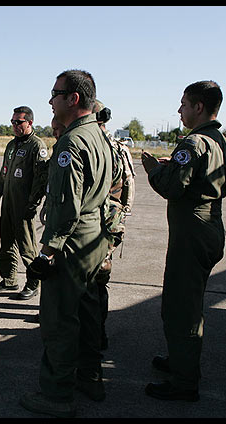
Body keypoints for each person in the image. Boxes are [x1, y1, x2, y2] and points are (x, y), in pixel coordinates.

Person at [19, 70, 113, 418]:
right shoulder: (98, 135)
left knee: (59, 319)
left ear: (73, 99)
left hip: (71, 242)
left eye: (55, 93)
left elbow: (64, 207)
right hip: (94, 238)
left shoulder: (71, 143)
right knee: (88, 313)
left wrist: (47, 253)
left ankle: (57, 395)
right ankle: (90, 378)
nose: (50, 100)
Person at [141, 80, 226, 402]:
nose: (179, 110)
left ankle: (184, 382)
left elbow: (172, 188)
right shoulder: (220, 140)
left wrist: (153, 170)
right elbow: (199, 177)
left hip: (192, 231)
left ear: (198, 107)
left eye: (183, 104)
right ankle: (181, 360)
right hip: (210, 226)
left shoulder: (193, 142)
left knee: (181, 307)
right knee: (189, 302)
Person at [0, 106, 49, 300]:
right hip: (8, 201)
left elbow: (41, 178)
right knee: (6, 242)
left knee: (27, 246)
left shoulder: (36, 146)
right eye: (12, 122)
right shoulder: (11, 145)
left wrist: (33, 203)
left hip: (23, 204)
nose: (15, 125)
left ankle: (33, 283)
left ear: (29, 122)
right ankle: (9, 279)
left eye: (19, 122)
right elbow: (4, 171)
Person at [91, 99, 136, 351]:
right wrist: (122, 215)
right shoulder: (120, 148)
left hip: (97, 223)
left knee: (91, 280)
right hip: (112, 221)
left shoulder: (93, 145)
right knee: (100, 278)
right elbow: (129, 186)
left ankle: (93, 334)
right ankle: (98, 332)